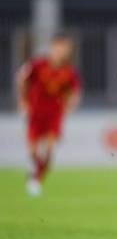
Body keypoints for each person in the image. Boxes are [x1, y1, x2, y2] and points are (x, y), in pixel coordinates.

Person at [16, 32, 82, 197]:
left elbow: (75, 92)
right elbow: (22, 80)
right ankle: (33, 171)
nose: (62, 51)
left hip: (55, 114)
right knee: (33, 152)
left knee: (49, 152)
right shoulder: (38, 65)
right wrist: (23, 101)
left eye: (66, 48)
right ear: (53, 47)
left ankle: (36, 180)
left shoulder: (70, 72)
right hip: (36, 113)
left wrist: (72, 103)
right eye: (59, 47)